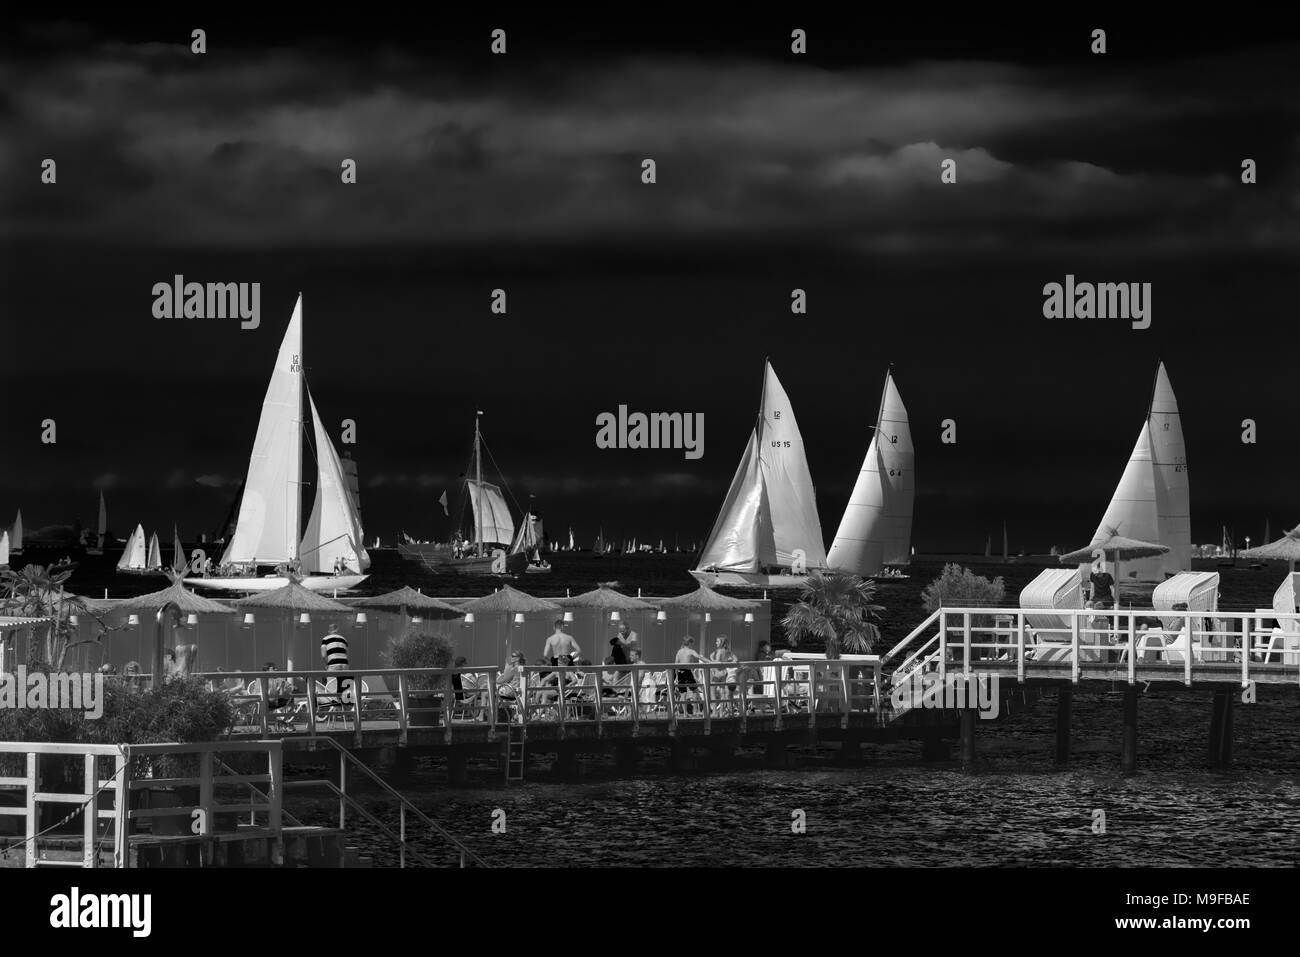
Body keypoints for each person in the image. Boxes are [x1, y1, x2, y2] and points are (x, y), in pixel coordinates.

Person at [674, 636, 706, 714]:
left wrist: (676, 676)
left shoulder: (679, 651)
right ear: (690, 643)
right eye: (692, 644)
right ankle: (694, 710)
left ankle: (685, 713)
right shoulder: (690, 651)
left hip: (680, 672)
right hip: (687, 672)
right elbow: (699, 657)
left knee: (683, 694)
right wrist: (709, 662)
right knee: (695, 691)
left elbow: (675, 664)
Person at [710, 635, 739, 715]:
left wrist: (711, 659)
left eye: (717, 641)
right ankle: (722, 711)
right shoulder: (728, 651)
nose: (716, 643)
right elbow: (736, 660)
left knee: (712, 692)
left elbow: (718, 662)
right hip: (724, 672)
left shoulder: (719, 651)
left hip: (717, 673)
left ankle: (715, 712)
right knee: (723, 693)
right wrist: (728, 662)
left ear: (721, 643)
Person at [320, 625, 351, 699]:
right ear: (337, 630)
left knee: (332, 689)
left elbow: (323, 655)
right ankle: (346, 707)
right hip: (345, 664)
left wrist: (327, 665)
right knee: (345, 688)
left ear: (329, 631)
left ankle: (335, 706)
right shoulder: (344, 639)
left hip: (333, 664)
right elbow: (347, 653)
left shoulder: (325, 639)